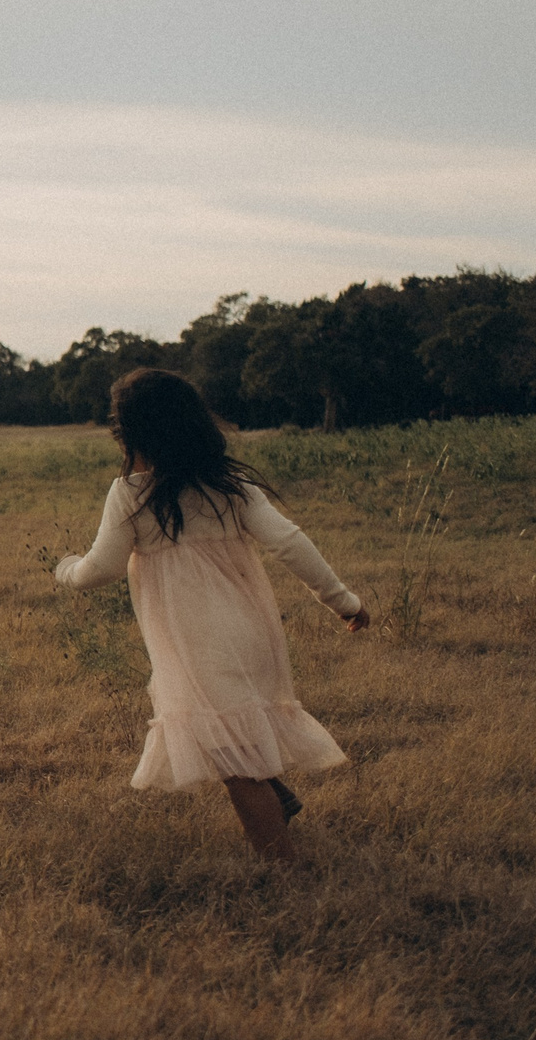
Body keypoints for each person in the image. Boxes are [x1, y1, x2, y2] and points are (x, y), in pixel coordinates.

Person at [53, 367, 369, 863]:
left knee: (229, 750)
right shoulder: (231, 484)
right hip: (249, 628)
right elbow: (290, 542)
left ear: (130, 432)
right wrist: (344, 601)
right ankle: (278, 799)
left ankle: (280, 861)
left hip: (191, 639)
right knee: (230, 726)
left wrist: (66, 569)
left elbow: (102, 568)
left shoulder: (132, 494)